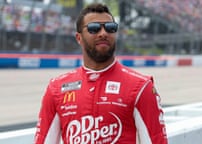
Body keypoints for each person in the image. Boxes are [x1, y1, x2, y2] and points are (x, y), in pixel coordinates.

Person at [34, 3, 168, 144]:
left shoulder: (141, 86)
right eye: (94, 28)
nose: (103, 33)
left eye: (110, 28)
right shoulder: (57, 88)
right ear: (79, 38)